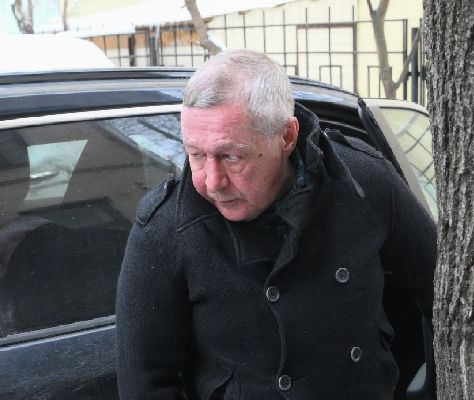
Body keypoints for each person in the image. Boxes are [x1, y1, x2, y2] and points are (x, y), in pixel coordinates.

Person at [116, 49, 436, 400]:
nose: (211, 181)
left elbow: (439, 292)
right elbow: (145, 384)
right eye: (197, 155)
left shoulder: (362, 182)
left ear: (286, 137)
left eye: (231, 156)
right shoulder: (164, 229)